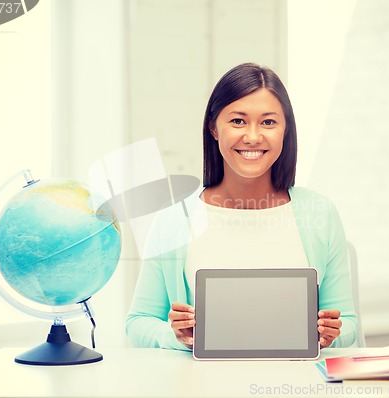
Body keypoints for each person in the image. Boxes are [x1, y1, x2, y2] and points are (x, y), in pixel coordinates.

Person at [126, 62, 357, 351]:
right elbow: (138, 322)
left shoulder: (320, 213)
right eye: (238, 121)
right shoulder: (175, 218)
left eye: (268, 122)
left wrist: (330, 334)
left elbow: (347, 321)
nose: (252, 136)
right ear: (213, 128)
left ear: (286, 130)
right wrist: (176, 337)